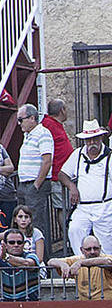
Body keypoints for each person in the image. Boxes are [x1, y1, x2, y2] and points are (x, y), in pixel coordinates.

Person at [59, 120, 112, 256]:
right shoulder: (78, 154)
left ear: (101, 138)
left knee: (107, 245)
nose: (92, 143)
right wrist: (72, 186)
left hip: (104, 207)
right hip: (83, 207)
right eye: (88, 140)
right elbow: (62, 174)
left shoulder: (110, 156)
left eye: (95, 139)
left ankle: (107, 267)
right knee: (75, 230)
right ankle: (81, 263)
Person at [15, 104, 53, 251]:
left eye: (21, 119)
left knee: (36, 222)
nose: (19, 123)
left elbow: (47, 160)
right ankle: (27, 253)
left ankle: (41, 257)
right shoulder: (28, 135)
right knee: (23, 222)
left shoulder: (42, 133)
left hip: (34, 184)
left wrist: (37, 184)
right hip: (25, 184)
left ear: (32, 118)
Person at [47, 234, 112, 300]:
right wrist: (63, 265)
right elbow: (50, 261)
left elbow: (108, 262)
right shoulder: (76, 260)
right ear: (82, 250)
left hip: (107, 302)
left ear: (100, 248)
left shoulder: (107, 258)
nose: (92, 252)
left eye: (95, 248)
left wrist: (81, 263)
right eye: (88, 249)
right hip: (84, 304)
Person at [41, 98, 74, 217]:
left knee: (67, 206)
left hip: (64, 173)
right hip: (58, 174)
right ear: (62, 110)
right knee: (63, 207)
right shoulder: (49, 125)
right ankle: (64, 229)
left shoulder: (54, 124)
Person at [0, 227, 41, 301]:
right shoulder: (1, 259)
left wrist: (6, 257)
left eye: (19, 242)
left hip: (29, 302)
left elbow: (27, 264)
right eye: (11, 242)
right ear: (5, 244)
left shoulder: (31, 256)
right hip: (5, 302)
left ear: (24, 244)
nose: (16, 245)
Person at [0, 143, 17, 227]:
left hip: (7, 195)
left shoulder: (0, 148)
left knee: (8, 226)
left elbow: (10, 168)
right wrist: (3, 169)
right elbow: (6, 169)